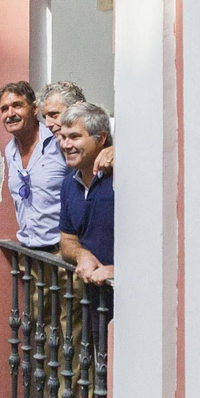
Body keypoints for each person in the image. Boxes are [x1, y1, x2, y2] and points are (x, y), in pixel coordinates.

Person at [0, 81, 67, 252]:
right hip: (28, 255)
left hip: (62, 254)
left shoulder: (59, 141)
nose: (10, 113)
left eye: (17, 105)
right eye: (4, 109)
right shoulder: (10, 151)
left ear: (34, 109)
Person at [57, 102, 114, 285]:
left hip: (131, 296)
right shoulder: (69, 183)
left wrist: (119, 270)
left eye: (74, 137)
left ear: (101, 139)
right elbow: (67, 239)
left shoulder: (121, 179)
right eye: (62, 137)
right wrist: (81, 254)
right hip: (91, 299)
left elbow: (152, 238)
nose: (65, 145)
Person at [42, 79, 114, 174]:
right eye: (45, 117)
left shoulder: (116, 128)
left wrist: (117, 152)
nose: (47, 124)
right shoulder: (54, 143)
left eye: (54, 114)